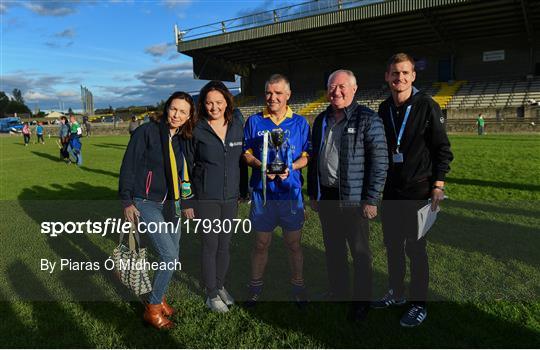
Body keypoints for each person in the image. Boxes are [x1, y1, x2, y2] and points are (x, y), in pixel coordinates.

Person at [374, 53, 453, 327]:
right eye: (395, 73)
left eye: (405, 73)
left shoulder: (426, 105)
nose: (400, 78)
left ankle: (419, 303)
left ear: (413, 76)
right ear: (387, 77)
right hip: (391, 192)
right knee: (393, 247)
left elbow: (442, 149)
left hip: (419, 191)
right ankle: (396, 293)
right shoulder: (384, 109)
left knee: (416, 249)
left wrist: (438, 185)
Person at [307, 69, 388, 322]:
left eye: (342, 86)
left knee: (360, 252)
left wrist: (371, 200)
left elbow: (380, 163)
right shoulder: (321, 119)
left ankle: (361, 302)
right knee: (333, 249)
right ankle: (338, 290)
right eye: (332, 87)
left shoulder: (368, 119)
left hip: (354, 199)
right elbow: (314, 160)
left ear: (354, 89)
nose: (336, 91)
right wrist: (314, 193)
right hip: (328, 196)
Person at [119, 91, 195, 329]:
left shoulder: (182, 138)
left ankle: (159, 297)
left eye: (183, 111)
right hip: (146, 202)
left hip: (173, 204)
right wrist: (127, 201)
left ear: (189, 115)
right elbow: (128, 165)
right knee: (169, 255)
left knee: (172, 255)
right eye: (174, 108)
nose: (177, 114)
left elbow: (184, 175)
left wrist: (187, 202)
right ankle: (152, 310)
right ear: (166, 108)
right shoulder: (147, 131)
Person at [243, 74, 311, 306]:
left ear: (288, 95)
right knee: (261, 244)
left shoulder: (300, 123)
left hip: (290, 195)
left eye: (278, 93)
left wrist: (291, 167)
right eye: (269, 93)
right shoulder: (254, 121)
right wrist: (261, 167)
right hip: (263, 195)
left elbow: (306, 156)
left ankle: (298, 285)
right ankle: (254, 287)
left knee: (293, 244)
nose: (272, 97)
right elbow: (246, 153)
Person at [182, 81, 247, 313]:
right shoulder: (196, 129)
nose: (214, 107)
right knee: (210, 245)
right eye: (209, 102)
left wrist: (243, 191)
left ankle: (219, 286)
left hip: (231, 198)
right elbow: (185, 169)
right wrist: (187, 201)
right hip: (205, 198)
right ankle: (211, 294)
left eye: (219, 102)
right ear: (203, 104)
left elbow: (242, 161)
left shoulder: (238, 125)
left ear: (227, 102)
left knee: (225, 245)